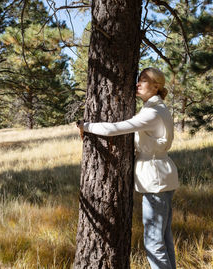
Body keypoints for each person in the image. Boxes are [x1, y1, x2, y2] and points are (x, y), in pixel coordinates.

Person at [77, 67, 179, 269]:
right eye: (138, 80)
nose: (137, 84)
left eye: (143, 80)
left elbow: (114, 129)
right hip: (163, 175)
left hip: (155, 180)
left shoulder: (152, 112)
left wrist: (85, 125)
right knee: (164, 237)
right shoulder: (158, 108)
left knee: (154, 242)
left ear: (156, 86)